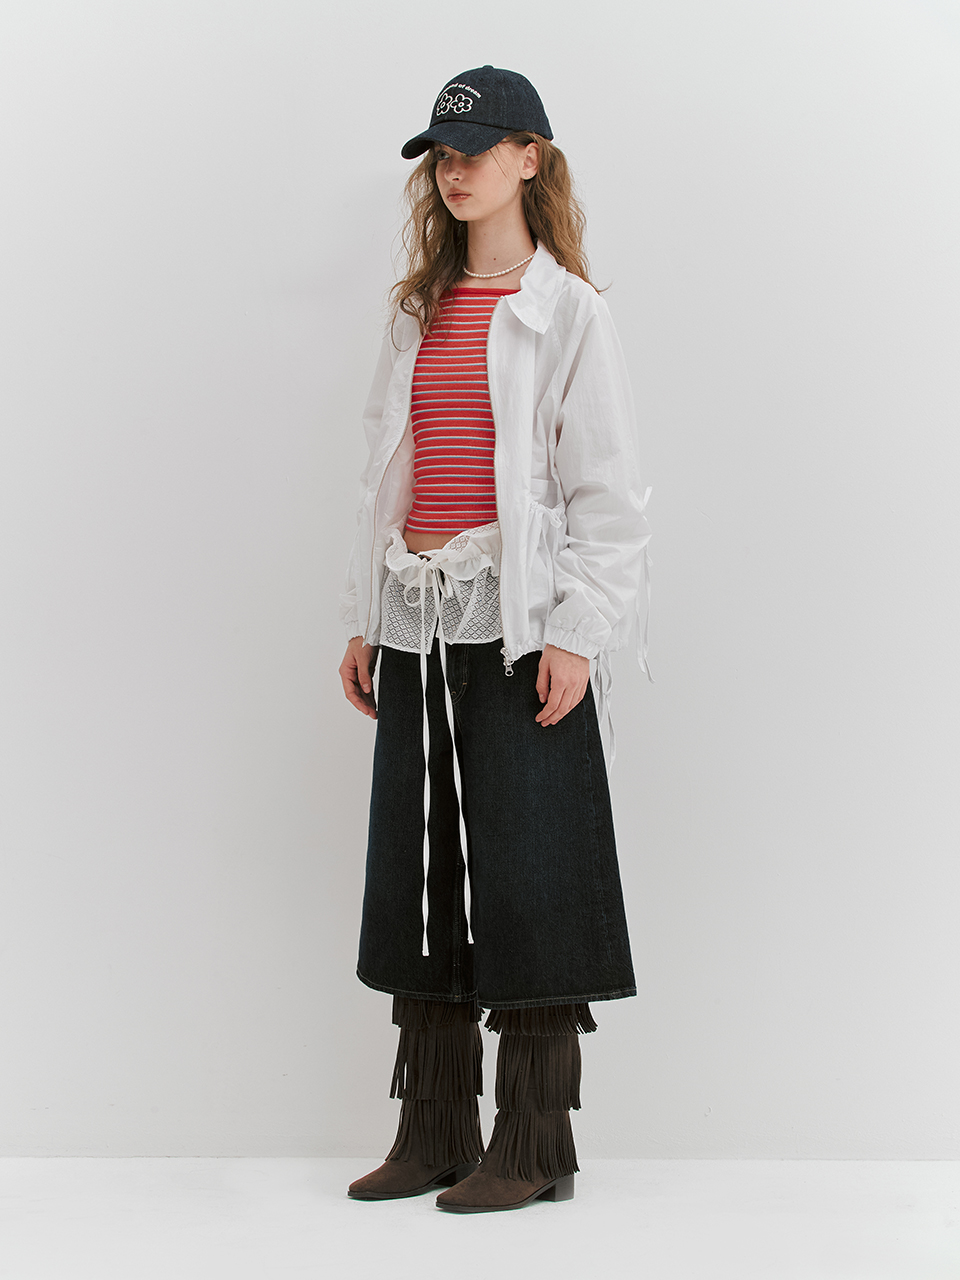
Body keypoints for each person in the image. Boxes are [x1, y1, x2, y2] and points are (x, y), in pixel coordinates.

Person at [337, 65, 653, 1213]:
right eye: (442, 153)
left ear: (531, 158)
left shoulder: (568, 312)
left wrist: (577, 632)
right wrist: (364, 617)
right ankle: (433, 1129)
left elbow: (608, 494)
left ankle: (531, 1140)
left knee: (532, 870)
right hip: (416, 614)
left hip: (518, 630)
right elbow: (386, 472)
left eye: (477, 149)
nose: (455, 170)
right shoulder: (418, 308)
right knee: (420, 874)